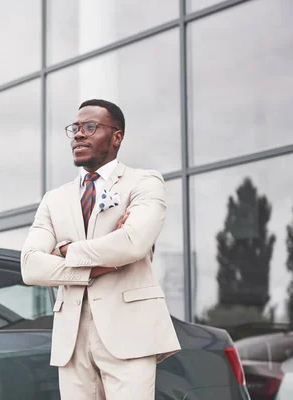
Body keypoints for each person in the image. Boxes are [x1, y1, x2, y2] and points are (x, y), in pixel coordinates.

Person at [21, 99, 180, 399]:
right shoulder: (53, 200)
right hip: (72, 342)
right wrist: (98, 266)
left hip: (130, 335)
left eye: (90, 127)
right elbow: (30, 266)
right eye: (75, 128)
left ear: (117, 136)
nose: (79, 134)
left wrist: (67, 251)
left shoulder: (144, 183)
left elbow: (133, 243)